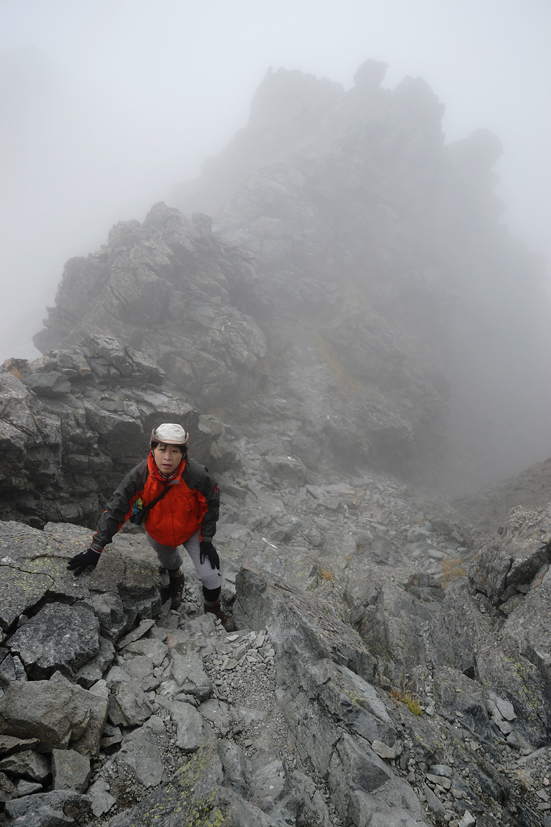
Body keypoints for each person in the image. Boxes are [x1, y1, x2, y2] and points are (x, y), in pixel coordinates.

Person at [67, 423, 235, 631]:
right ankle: (176, 577)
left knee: (210, 575)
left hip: (192, 531)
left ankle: (213, 609)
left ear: (183, 453)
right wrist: (95, 548)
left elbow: (211, 504)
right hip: (159, 531)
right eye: (162, 449)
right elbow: (116, 509)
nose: (167, 457)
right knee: (168, 561)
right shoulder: (140, 475)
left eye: (174, 451)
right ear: (153, 449)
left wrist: (207, 540)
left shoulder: (197, 475)